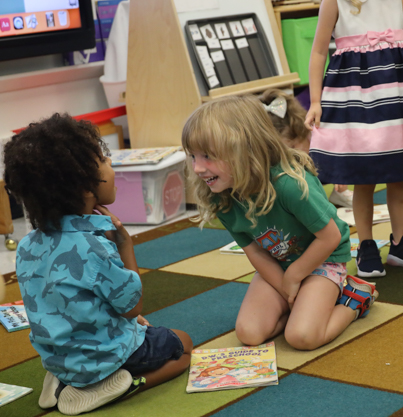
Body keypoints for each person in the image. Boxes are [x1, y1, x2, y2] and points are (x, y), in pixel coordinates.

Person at [4, 114, 192, 415]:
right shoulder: (93, 246)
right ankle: (125, 383)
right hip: (104, 358)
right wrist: (124, 245)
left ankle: (65, 381)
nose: (112, 165)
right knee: (182, 346)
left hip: (58, 356)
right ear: (86, 187)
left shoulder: (28, 245)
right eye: (104, 159)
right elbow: (132, 307)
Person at [182, 95, 379, 351]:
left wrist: (295, 277)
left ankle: (354, 300)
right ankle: (305, 309)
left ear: (243, 148)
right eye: (193, 157)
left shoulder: (289, 184)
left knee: (302, 337)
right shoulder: (223, 197)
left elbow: (329, 238)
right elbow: (254, 251)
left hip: (322, 259)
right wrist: (286, 288)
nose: (197, 168)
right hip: (279, 265)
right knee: (249, 333)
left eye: (207, 156)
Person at [305, 0, 403, 278]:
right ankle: (366, 246)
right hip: (355, 96)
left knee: (398, 173)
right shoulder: (334, 2)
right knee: (364, 175)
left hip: (397, 91)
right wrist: (314, 101)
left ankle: (401, 243)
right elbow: (319, 51)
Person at [258, 88, 354, 207]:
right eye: (284, 151)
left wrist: (339, 175)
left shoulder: (318, 134)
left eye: (293, 146)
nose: (292, 154)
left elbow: (341, 153)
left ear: (302, 133)